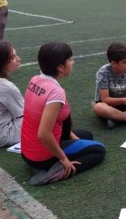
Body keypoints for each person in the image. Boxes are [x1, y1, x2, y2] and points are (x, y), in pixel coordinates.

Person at [21, 42, 106, 186]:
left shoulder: (35, 80)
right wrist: (64, 159)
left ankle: (42, 165)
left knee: (87, 135)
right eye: (70, 59)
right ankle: (54, 173)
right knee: (99, 150)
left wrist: (73, 138)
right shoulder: (56, 92)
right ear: (60, 67)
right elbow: (44, 133)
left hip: (27, 152)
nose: (73, 62)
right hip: (41, 155)